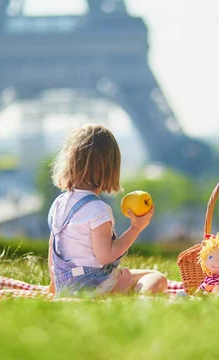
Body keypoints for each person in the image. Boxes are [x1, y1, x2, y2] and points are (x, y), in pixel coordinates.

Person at [47, 124, 168, 297]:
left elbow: (53, 248)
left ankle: (116, 290)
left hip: (65, 287)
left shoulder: (58, 204)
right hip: (93, 286)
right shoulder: (98, 209)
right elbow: (106, 256)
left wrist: (54, 283)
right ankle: (132, 296)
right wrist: (136, 228)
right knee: (156, 277)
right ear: (110, 168)